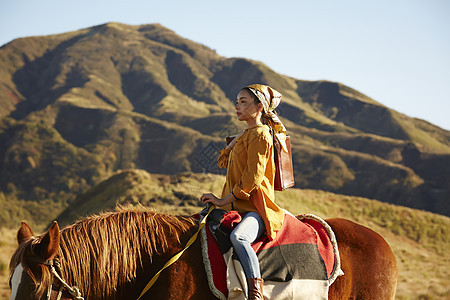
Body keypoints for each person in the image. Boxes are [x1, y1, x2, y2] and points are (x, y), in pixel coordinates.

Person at [200, 84, 287, 300]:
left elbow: (252, 181)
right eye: (237, 101)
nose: (237, 106)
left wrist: (221, 201)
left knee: (239, 237)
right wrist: (234, 142)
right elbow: (222, 162)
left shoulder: (260, 135)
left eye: (243, 102)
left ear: (259, 107)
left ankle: (255, 293)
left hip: (256, 209)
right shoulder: (247, 134)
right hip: (235, 206)